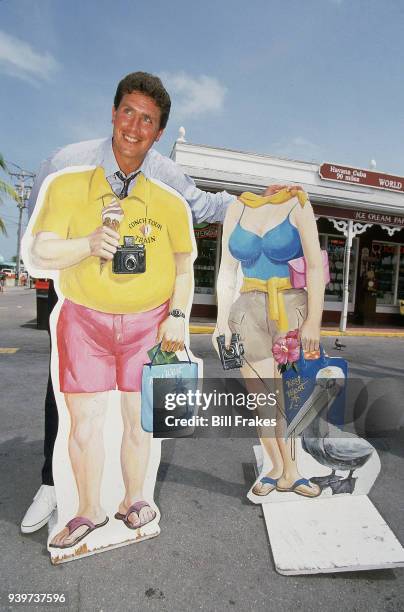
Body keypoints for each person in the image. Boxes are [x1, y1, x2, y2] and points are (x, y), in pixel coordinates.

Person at [21, 70, 293, 533]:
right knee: (67, 403)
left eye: (147, 119)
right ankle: (53, 485)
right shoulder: (66, 164)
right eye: (127, 111)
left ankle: (132, 498)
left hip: (144, 317)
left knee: (138, 414)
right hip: (80, 303)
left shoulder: (164, 177)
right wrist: (76, 253)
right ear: (113, 112)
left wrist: (258, 202)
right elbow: (37, 235)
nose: (134, 126)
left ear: (159, 131)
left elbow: (205, 207)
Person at [28, 162, 195, 548]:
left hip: (148, 324)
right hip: (83, 321)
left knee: (139, 421)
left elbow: (184, 269)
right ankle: (89, 509)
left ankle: (134, 497)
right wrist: (87, 244)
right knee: (83, 423)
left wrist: (178, 316)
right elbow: (40, 250)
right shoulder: (69, 187)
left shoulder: (168, 202)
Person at [214, 186, 325, 499]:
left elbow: (315, 267)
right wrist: (221, 321)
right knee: (262, 400)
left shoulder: (298, 204)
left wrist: (314, 320)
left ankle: (293, 471)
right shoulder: (236, 208)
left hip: (290, 308)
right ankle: (277, 469)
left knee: (287, 397)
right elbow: (226, 269)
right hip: (247, 309)